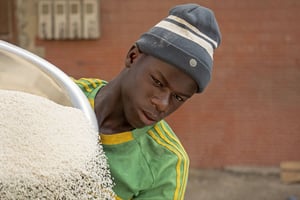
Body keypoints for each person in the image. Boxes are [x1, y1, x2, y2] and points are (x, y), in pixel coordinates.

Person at [74, 3, 221, 200]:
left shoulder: (166, 163)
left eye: (178, 97)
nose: (162, 104)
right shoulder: (64, 97)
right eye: (158, 82)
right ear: (133, 57)